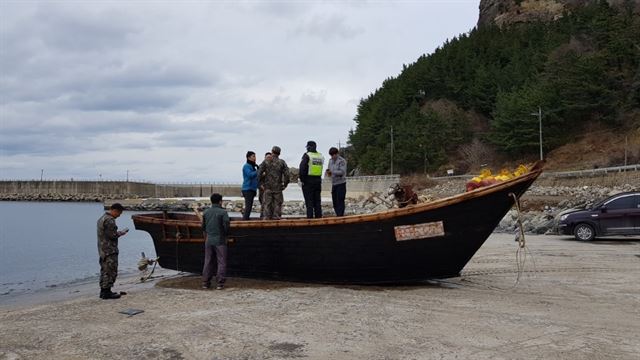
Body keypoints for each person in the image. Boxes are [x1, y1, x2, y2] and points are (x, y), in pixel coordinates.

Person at [97, 203, 128, 299]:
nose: (119, 215)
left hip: (102, 249)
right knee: (110, 270)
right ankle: (107, 292)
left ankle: (103, 291)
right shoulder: (110, 220)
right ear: (114, 210)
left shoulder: (102, 218)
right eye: (119, 213)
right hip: (110, 249)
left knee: (104, 270)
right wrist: (121, 233)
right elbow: (112, 235)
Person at [202, 193, 230, 290]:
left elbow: (203, 227)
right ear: (220, 201)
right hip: (220, 240)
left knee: (208, 261)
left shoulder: (206, 212)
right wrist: (226, 235)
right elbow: (226, 226)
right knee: (221, 261)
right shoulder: (223, 212)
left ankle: (205, 282)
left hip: (209, 240)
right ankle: (220, 283)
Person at [258, 146, 290, 220]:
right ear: (279, 153)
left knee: (267, 204)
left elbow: (259, 173)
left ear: (272, 151)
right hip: (278, 187)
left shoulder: (266, 161)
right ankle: (276, 217)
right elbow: (287, 175)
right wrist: (285, 184)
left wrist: (260, 184)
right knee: (278, 203)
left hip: (267, 187)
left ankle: (266, 218)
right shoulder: (282, 162)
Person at [299, 140, 324, 218]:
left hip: (308, 181)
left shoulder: (307, 155)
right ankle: (318, 218)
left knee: (309, 202)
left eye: (307, 147)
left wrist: (302, 180)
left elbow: (302, 169)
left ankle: (310, 219)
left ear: (309, 147)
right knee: (317, 201)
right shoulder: (320, 156)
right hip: (318, 181)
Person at [326, 147, 347, 216]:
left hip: (341, 183)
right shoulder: (330, 161)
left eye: (333, 155)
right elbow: (329, 171)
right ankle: (337, 215)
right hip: (334, 184)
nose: (332, 157)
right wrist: (328, 173)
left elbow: (342, 172)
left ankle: (340, 216)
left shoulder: (342, 161)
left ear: (337, 154)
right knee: (334, 201)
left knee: (340, 201)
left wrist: (332, 172)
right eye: (331, 155)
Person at [241, 151, 258, 220]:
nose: (255, 158)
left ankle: (246, 219)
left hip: (252, 189)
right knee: (248, 207)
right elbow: (250, 175)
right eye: (253, 156)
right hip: (247, 189)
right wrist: (258, 171)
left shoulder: (253, 166)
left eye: (255, 156)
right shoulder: (246, 166)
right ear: (248, 157)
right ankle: (245, 221)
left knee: (249, 206)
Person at [258, 152, 272, 219]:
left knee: (270, 204)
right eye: (267, 157)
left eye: (270, 157)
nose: (268, 159)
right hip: (263, 188)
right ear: (265, 158)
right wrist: (260, 185)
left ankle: (270, 217)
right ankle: (262, 217)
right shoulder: (261, 166)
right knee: (263, 204)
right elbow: (257, 178)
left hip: (271, 189)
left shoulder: (273, 166)